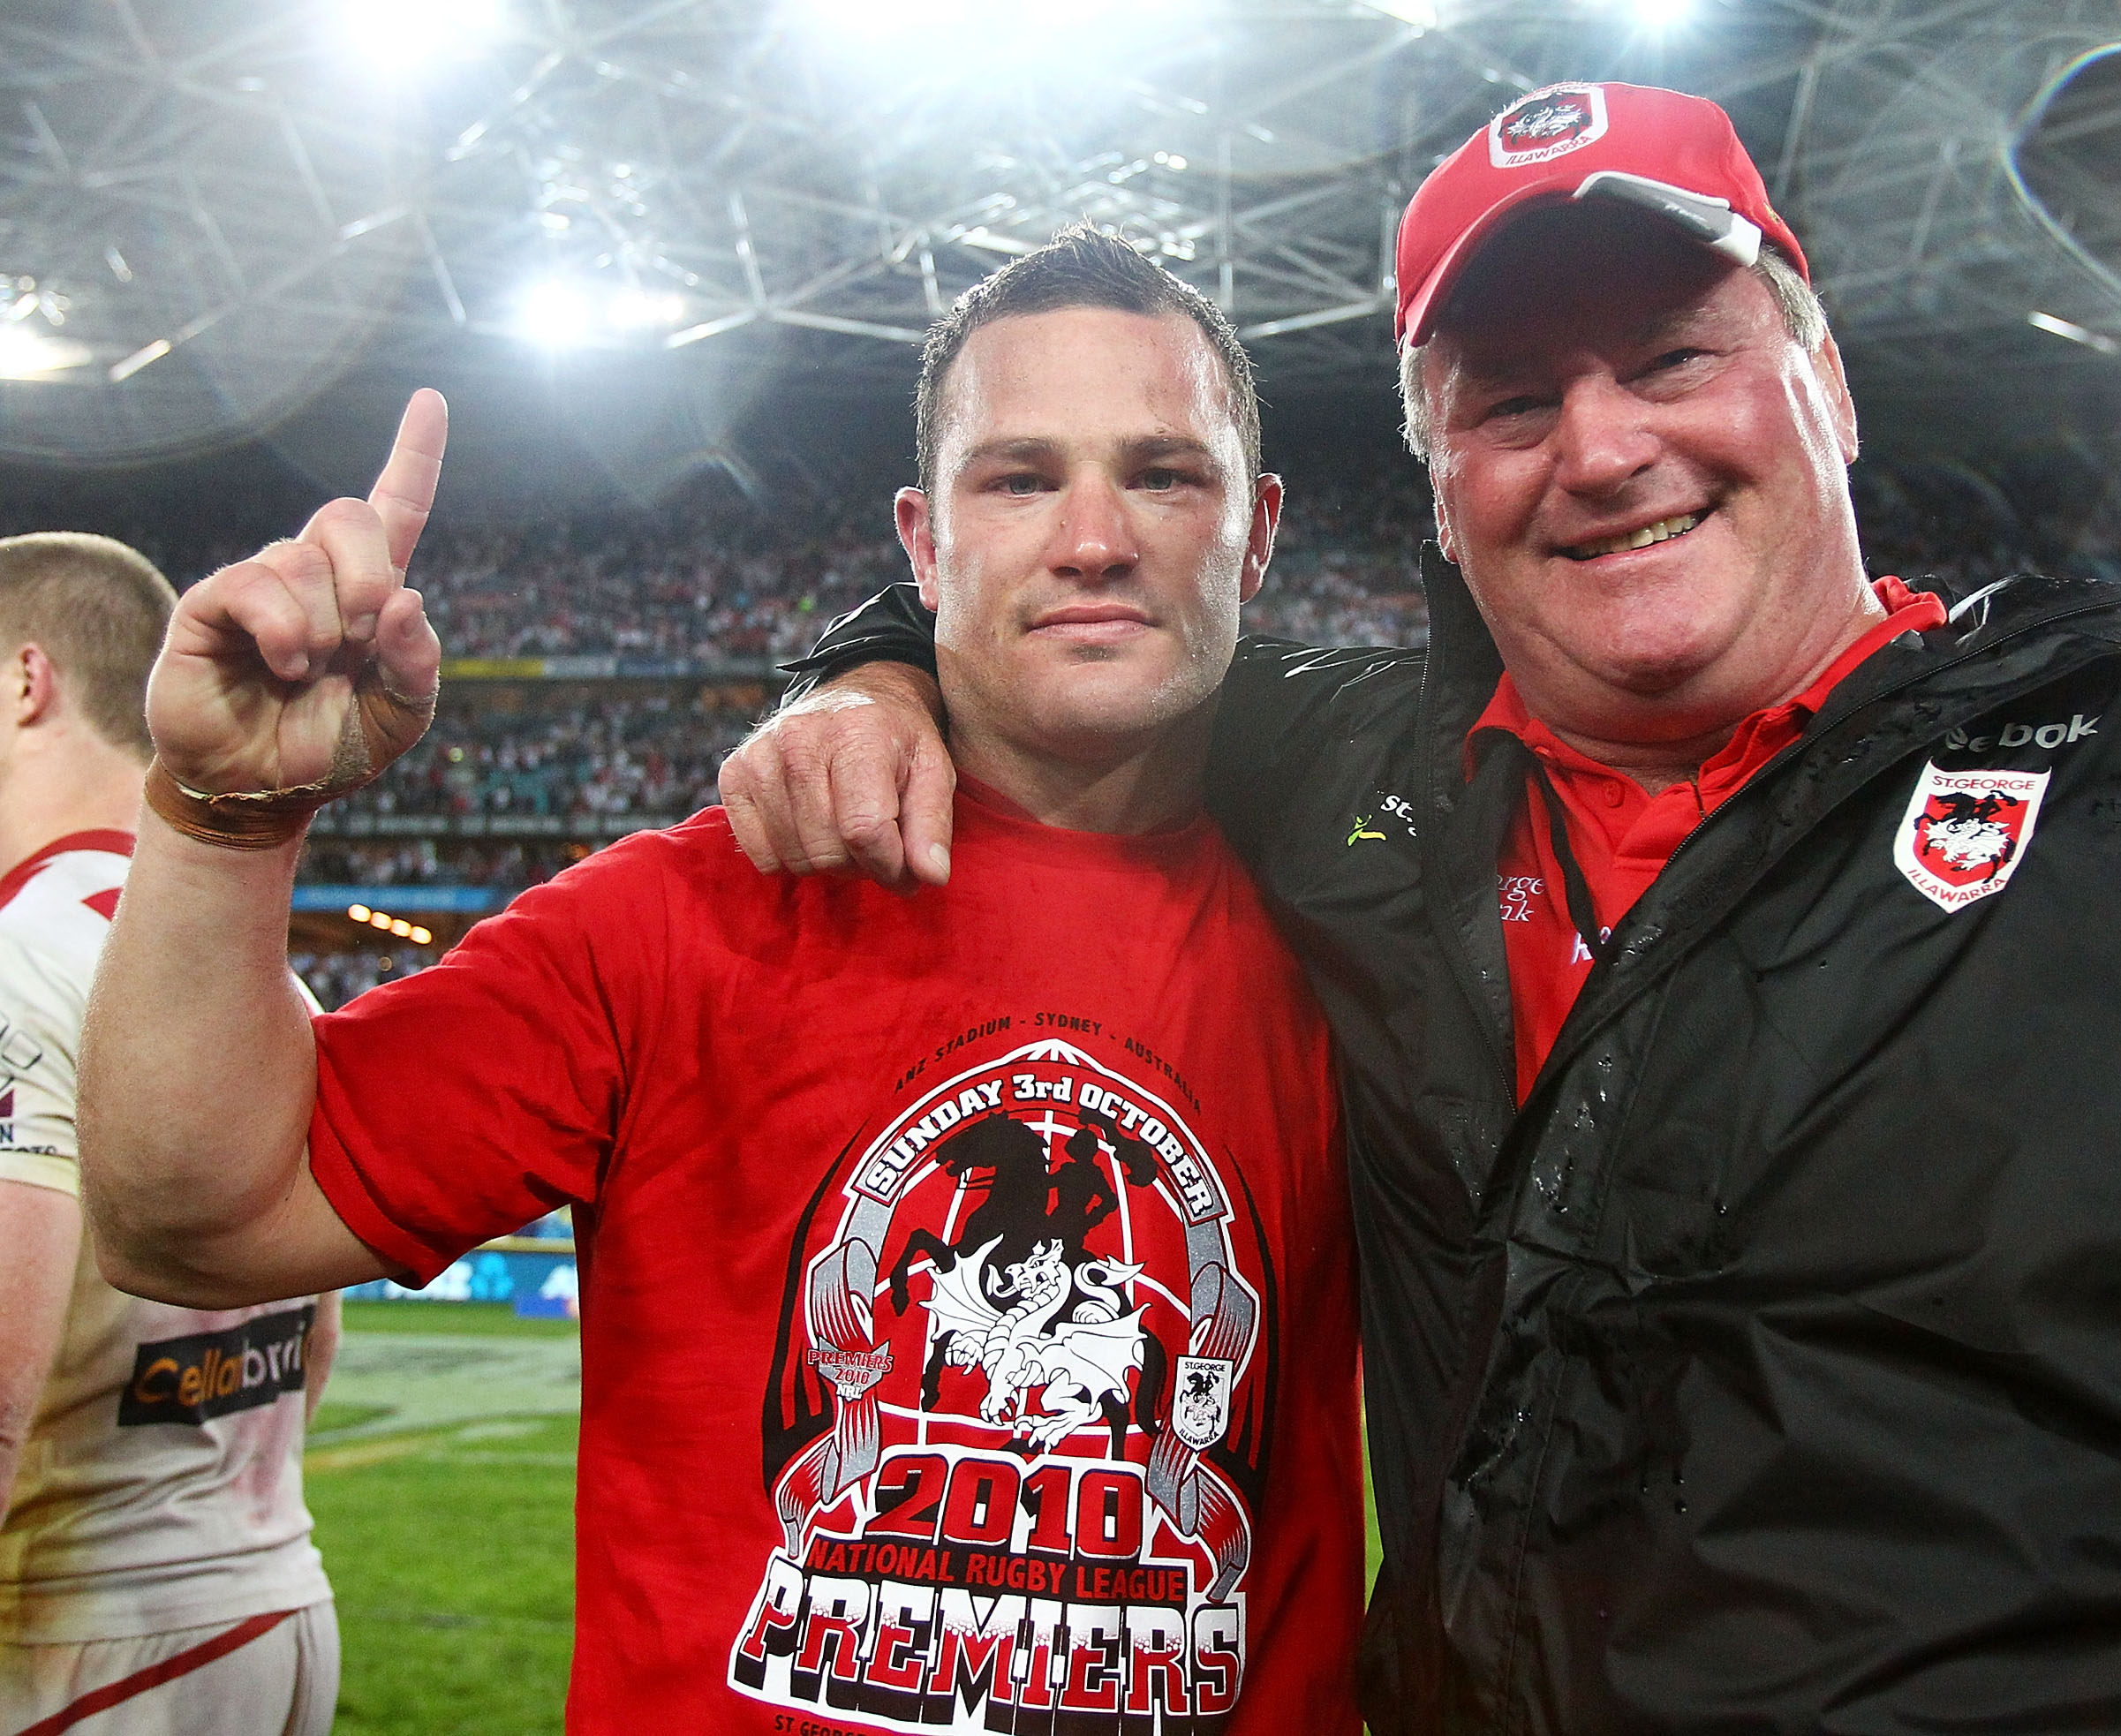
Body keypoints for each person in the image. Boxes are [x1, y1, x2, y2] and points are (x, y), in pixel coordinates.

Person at [726, 83, 2121, 1732]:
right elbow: (1068, 607)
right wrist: (866, 673)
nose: (1602, 447)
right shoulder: (1356, 784)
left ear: (1829, 384)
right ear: (1439, 484)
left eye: (1670, 359)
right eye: (1511, 400)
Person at [78, 230, 1363, 1733]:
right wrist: (224, 813)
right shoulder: (675, 919)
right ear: (923, 543)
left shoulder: (1385, 941)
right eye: (1018, 479)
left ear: (1257, 532)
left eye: (1164, 474)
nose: (1094, 538)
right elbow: (190, 1214)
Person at [0, 533, 342, 1736]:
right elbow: (317, 1325)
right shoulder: (263, 975)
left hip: (81, 1631)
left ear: (25, 680)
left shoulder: (17, 953)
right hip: (270, 1592)